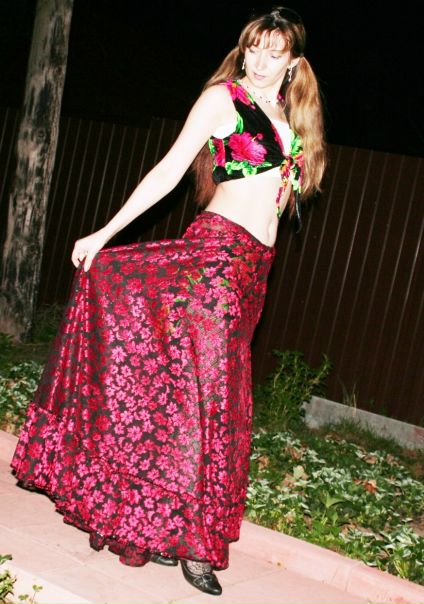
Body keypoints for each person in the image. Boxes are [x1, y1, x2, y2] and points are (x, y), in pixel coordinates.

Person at [11, 6, 326, 597]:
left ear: (293, 62)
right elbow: (168, 171)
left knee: (200, 398)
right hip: (215, 260)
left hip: (254, 271)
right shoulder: (223, 100)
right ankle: (195, 545)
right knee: (211, 399)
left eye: (274, 52)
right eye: (253, 48)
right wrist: (105, 233)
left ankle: (162, 523)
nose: (259, 61)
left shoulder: (291, 118)